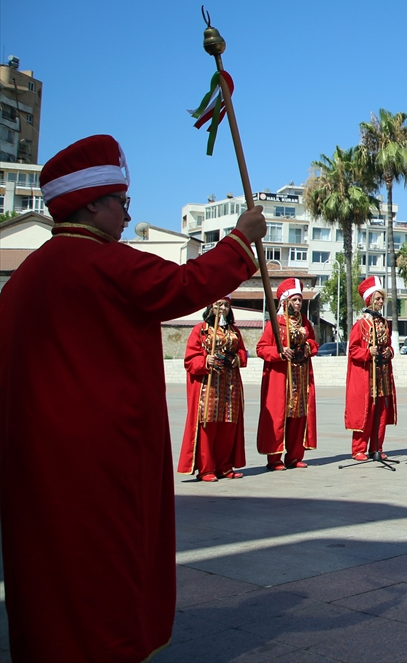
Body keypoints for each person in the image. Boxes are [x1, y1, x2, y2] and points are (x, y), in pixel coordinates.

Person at [0, 135, 264, 662]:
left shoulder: (23, 279)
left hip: (33, 456)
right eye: (121, 202)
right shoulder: (108, 262)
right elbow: (188, 284)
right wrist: (240, 239)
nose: (126, 214)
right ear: (93, 202)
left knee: (46, 563)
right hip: (100, 453)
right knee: (106, 564)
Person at [178, 297, 248, 481]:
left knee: (228, 426)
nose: (222, 308)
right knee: (208, 425)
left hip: (230, 384)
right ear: (210, 307)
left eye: (225, 305)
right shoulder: (200, 330)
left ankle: (224, 466)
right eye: (218, 305)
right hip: (208, 387)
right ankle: (206, 469)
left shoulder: (234, 331)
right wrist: (205, 361)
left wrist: (238, 359)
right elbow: (189, 360)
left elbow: (242, 351)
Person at [257, 278, 318, 470]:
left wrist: (308, 347)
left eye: (300, 300)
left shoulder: (306, 323)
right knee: (279, 416)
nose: (298, 304)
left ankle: (294, 455)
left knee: (298, 415)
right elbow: (261, 348)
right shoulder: (275, 324)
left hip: (301, 376)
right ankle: (274, 458)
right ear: (286, 302)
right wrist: (279, 353)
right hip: (281, 378)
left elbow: (314, 343)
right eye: (294, 300)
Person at [345, 276, 397, 460]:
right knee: (366, 412)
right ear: (369, 300)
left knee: (381, 412)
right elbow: (353, 350)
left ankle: (377, 447)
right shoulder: (360, 325)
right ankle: (358, 448)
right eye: (377, 299)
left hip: (382, 374)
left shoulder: (383, 323)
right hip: (367, 375)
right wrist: (369, 352)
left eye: (382, 299)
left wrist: (389, 352)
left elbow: (389, 345)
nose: (381, 302)